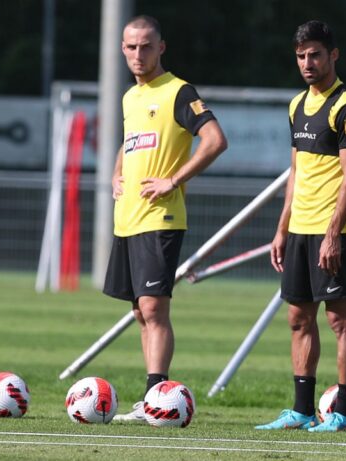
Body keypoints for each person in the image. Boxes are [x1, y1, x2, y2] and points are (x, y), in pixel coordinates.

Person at [107, 15, 228, 422]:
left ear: (161, 48)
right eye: (131, 47)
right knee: (140, 312)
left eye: (146, 46)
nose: (138, 54)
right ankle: (152, 398)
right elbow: (130, 141)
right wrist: (116, 172)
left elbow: (215, 140)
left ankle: (155, 398)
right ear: (122, 49)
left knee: (153, 308)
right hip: (128, 218)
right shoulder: (130, 97)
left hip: (161, 218)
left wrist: (173, 180)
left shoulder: (179, 91)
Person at [254, 20, 346, 433]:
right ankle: (302, 410)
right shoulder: (296, 105)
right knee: (298, 319)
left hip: (333, 231)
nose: (307, 63)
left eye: (315, 55)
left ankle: (344, 412)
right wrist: (282, 228)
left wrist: (333, 234)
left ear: (333, 55)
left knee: (340, 321)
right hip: (300, 229)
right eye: (301, 56)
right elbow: (296, 171)